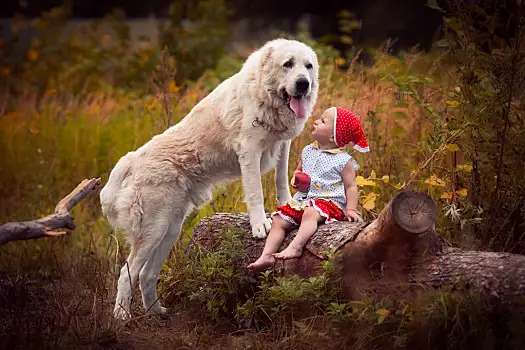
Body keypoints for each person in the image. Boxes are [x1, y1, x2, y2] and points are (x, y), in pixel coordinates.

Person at [247, 106, 370, 271]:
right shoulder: (308, 151)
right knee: (278, 219)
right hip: (304, 200)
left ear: (334, 136)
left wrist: (351, 209)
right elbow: (299, 170)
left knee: (310, 213)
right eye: (319, 118)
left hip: (328, 202)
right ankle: (267, 255)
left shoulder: (343, 160)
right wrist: (295, 179)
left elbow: (351, 186)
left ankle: (296, 247)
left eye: (323, 121)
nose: (316, 122)